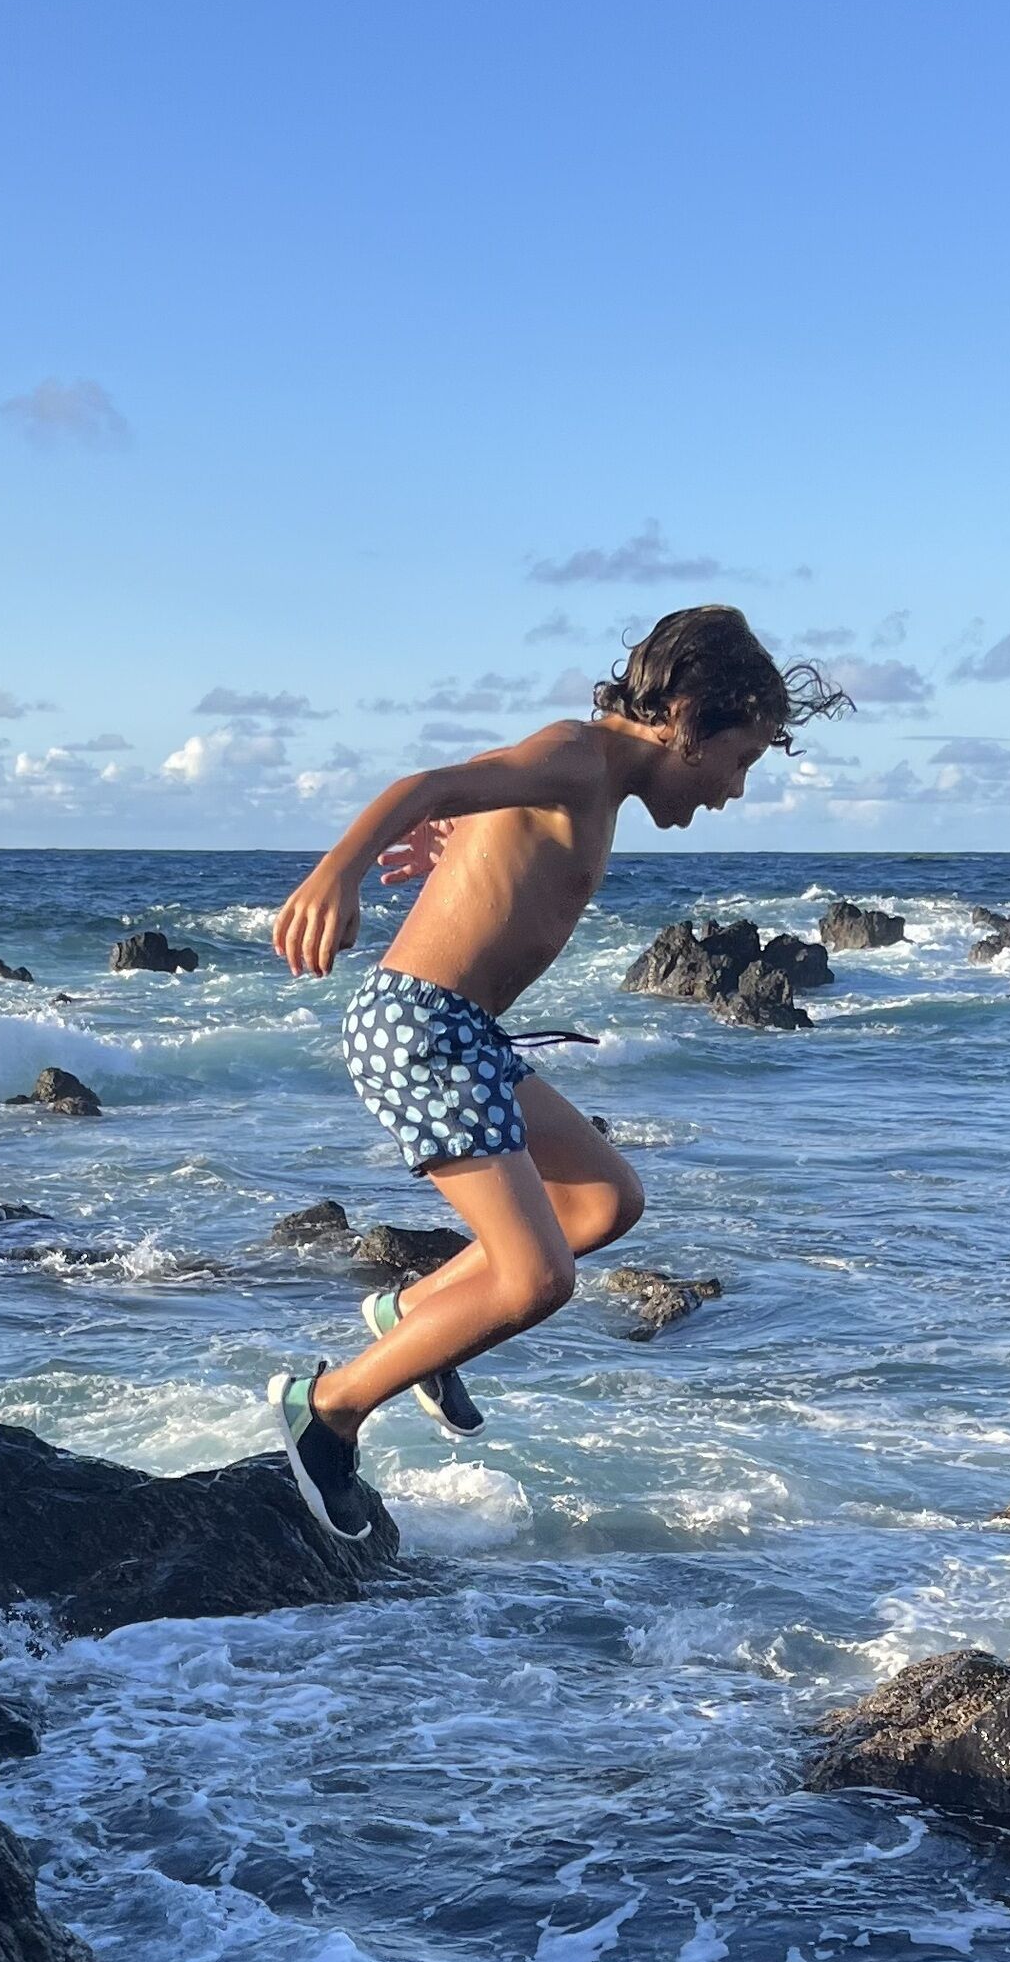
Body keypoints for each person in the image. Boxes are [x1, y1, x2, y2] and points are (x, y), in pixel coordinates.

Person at [264, 603, 849, 1539]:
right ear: (688, 717)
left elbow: (486, 823)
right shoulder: (577, 755)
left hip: (465, 1033)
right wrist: (338, 871)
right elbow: (424, 783)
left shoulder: (591, 785)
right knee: (535, 1279)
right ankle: (326, 1412)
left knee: (604, 1203)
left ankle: (411, 1316)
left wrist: (457, 845)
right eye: (739, 760)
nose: (734, 792)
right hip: (418, 1029)